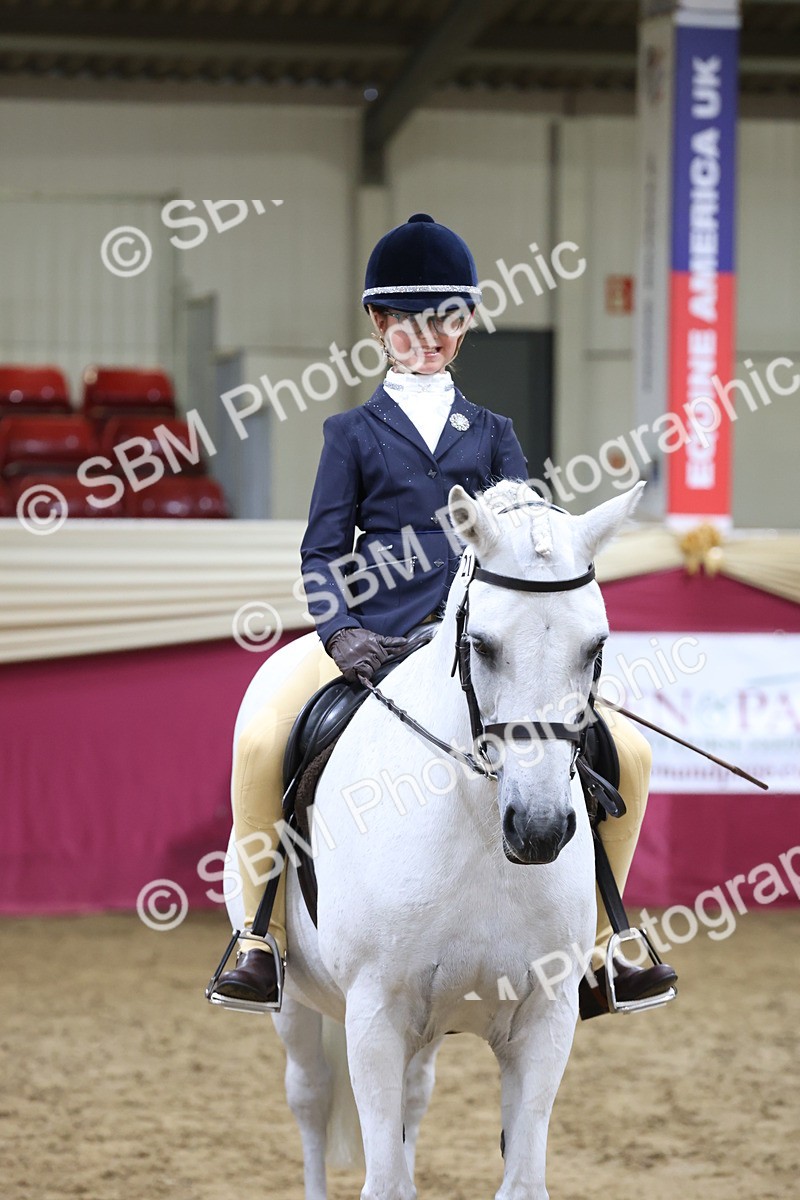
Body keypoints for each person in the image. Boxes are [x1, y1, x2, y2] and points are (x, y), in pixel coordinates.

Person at [213, 213, 677, 1017]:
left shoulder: (492, 434)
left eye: (445, 319)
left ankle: (605, 945)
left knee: (627, 755)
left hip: (482, 649)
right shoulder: (351, 433)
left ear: (464, 326)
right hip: (370, 640)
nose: (427, 336)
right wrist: (341, 631)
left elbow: (527, 541)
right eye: (407, 321)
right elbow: (322, 554)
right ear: (379, 325)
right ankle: (260, 936)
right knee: (261, 739)